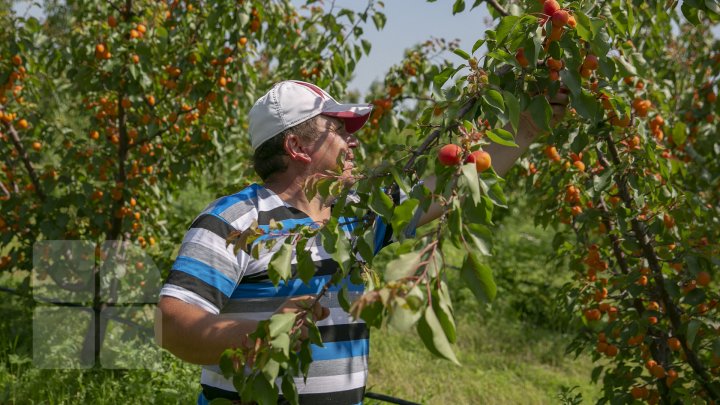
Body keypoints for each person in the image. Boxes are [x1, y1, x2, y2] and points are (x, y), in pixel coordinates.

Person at [155, 80, 567, 404]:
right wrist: (263, 332)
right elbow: (173, 326)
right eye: (338, 130)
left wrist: (527, 128)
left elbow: (443, 191)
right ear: (297, 146)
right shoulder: (236, 220)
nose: (353, 141)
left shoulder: (355, 215)